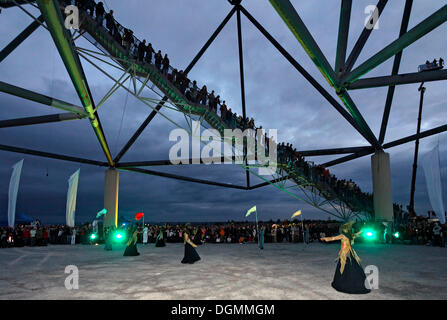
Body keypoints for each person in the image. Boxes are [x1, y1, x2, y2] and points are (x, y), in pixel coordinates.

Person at [321, 221, 371, 294]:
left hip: (345, 253)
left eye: (343, 228)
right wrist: (361, 231)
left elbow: (333, 238)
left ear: (345, 229)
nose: (342, 229)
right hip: (350, 253)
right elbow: (356, 234)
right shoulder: (350, 235)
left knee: (345, 268)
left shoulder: (344, 235)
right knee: (354, 266)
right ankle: (357, 283)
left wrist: (324, 238)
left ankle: (346, 284)